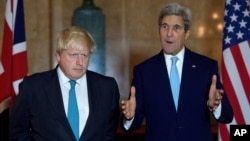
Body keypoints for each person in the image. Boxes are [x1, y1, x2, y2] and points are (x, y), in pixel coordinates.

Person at [120, 3, 233, 141]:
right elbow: (130, 125)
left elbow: (227, 116)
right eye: (165, 26)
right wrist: (129, 117)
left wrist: (216, 106)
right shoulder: (144, 71)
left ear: (187, 33)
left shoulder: (206, 67)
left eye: (176, 28)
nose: (169, 33)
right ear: (159, 30)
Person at [9, 26, 120, 141]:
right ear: (58, 56)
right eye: (73, 55)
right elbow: (18, 133)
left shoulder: (107, 87)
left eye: (84, 55)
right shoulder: (33, 87)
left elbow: (109, 133)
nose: (80, 62)